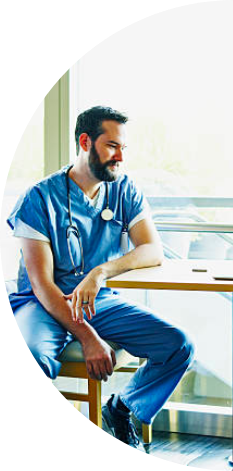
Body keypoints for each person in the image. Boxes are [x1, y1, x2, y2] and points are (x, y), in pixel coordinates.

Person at [8, 106, 194, 451]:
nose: (120, 157)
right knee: (33, 353)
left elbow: (152, 249)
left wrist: (100, 271)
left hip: (98, 300)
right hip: (42, 303)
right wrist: (87, 336)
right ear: (85, 142)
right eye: (112, 146)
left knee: (177, 345)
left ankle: (121, 410)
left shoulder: (124, 191)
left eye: (123, 148)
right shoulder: (39, 198)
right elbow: (42, 285)